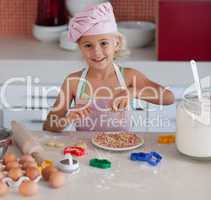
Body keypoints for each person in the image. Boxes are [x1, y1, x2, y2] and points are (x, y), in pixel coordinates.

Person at [43, 2, 175, 132]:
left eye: (104, 43)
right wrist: (66, 119)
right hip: (85, 152)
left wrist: (133, 92)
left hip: (121, 150)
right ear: (80, 48)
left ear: (116, 44)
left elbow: (169, 97)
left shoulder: (128, 77)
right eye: (88, 45)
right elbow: (48, 125)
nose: (97, 52)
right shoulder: (73, 82)